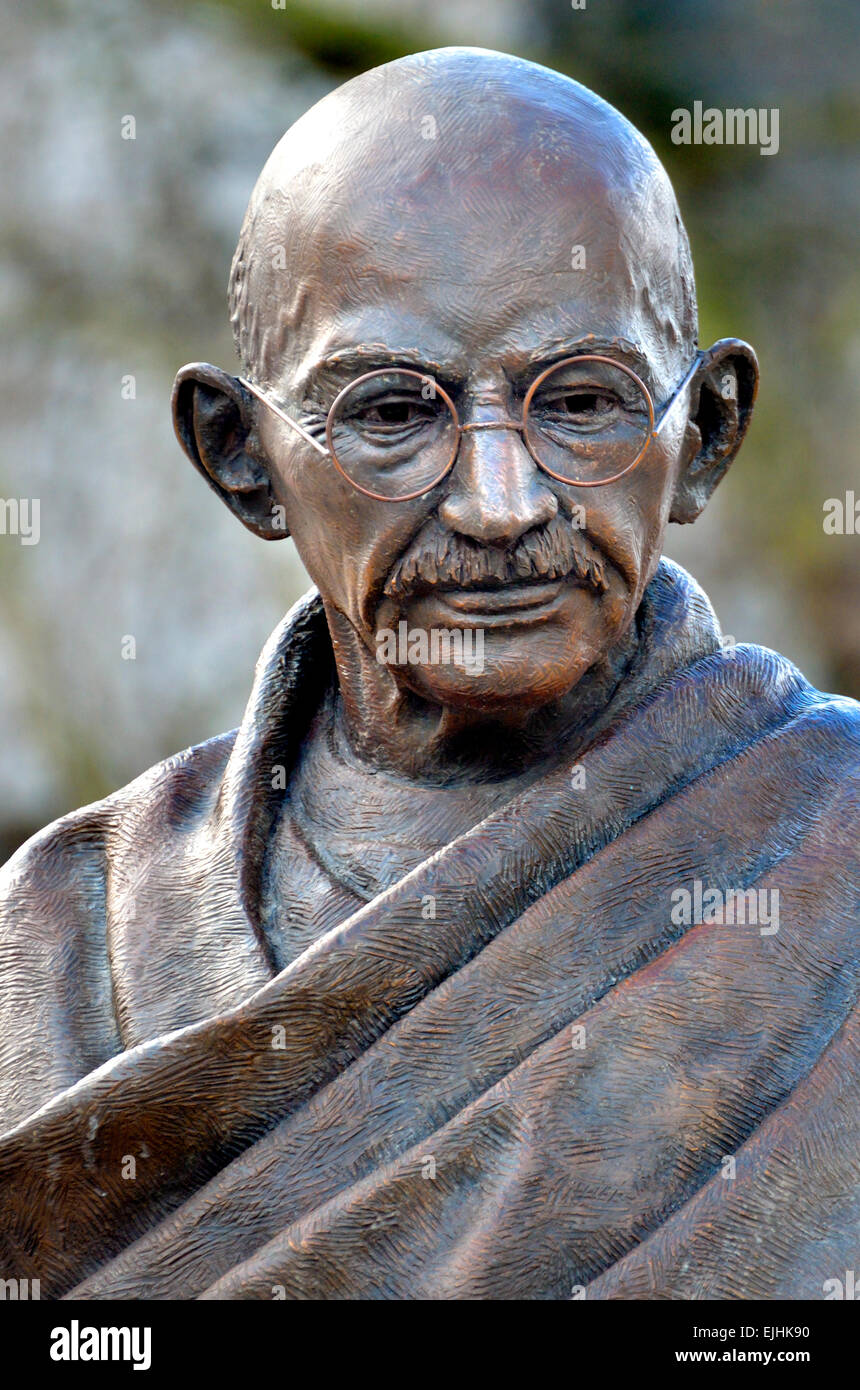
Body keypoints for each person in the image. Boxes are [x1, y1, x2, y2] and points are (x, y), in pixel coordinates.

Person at [1, 48, 858, 1300]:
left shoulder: (828, 846)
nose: (501, 505)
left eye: (581, 403)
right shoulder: (61, 939)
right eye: (393, 413)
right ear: (241, 457)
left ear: (706, 432)